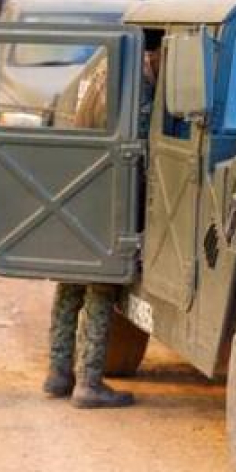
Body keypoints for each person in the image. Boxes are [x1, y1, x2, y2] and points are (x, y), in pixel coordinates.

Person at [42, 42, 159, 409]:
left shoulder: (102, 72)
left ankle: (58, 372)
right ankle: (88, 383)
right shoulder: (137, 85)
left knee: (70, 286)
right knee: (101, 288)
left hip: (81, 192)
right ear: (155, 53)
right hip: (110, 198)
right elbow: (141, 146)